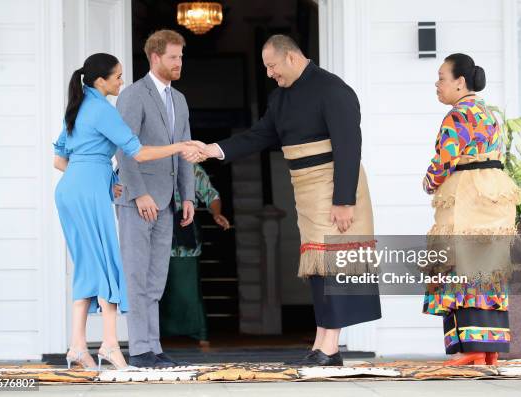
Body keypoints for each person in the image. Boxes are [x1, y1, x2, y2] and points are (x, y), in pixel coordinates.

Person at [202, 34, 382, 367]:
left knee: (336, 266)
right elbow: (260, 134)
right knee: (317, 268)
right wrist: (214, 149)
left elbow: (348, 145)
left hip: (335, 186)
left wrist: (344, 200)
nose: (269, 73)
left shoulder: (333, 89)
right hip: (306, 188)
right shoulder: (280, 98)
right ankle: (321, 342)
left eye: (272, 66)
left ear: (292, 58)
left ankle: (330, 347)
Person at [53, 53, 204, 370]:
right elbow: (138, 152)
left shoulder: (78, 107)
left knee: (87, 266)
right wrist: (179, 146)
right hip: (89, 194)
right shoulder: (102, 110)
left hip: (69, 191)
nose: (122, 81)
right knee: (108, 265)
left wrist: (104, 179)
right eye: (118, 76)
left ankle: (78, 347)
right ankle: (109, 345)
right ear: (101, 81)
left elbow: (60, 161)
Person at [422, 53, 521, 366]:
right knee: (488, 266)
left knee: (462, 264)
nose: (437, 85)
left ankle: (471, 349)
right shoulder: (486, 113)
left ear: (460, 82)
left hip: (467, 194)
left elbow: (445, 160)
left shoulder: (457, 115)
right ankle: (489, 349)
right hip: (494, 192)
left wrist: (429, 181)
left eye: (441, 77)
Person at [114, 29, 196, 369]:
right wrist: (139, 193)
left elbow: (186, 149)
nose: (179, 62)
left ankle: (153, 345)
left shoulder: (179, 99)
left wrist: (188, 196)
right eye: (174, 57)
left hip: (167, 202)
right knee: (136, 275)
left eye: (181, 57)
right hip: (139, 200)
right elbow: (124, 147)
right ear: (155, 57)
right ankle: (139, 349)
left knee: (155, 277)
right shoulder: (134, 94)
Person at [159, 164, 231, 347]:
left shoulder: (190, 168)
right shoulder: (148, 161)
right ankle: (153, 336)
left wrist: (217, 213)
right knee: (156, 288)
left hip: (185, 230)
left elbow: (211, 194)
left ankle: (200, 333)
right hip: (155, 231)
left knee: (188, 287)